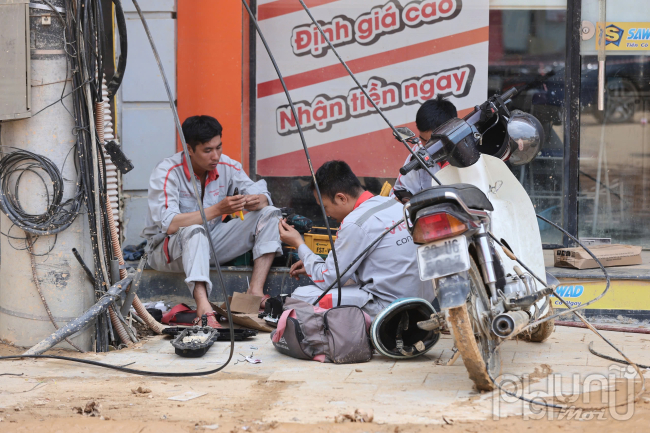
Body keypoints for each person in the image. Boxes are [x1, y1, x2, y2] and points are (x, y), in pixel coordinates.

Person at [142, 115, 282, 327]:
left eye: (219, 147)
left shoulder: (227, 166)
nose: (216, 156)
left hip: (209, 244)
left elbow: (262, 193)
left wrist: (256, 200)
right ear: (190, 149)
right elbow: (170, 223)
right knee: (195, 230)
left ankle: (255, 292)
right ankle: (203, 307)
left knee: (270, 213)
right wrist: (218, 209)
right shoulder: (166, 172)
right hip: (166, 251)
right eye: (208, 150)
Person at [278, 160, 434, 318]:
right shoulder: (393, 204)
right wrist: (313, 266)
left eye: (325, 207)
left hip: (390, 309)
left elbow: (328, 280)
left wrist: (299, 244)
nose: (327, 215)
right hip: (424, 304)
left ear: (341, 198)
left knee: (300, 296)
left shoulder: (355, 222)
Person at [391, 95, 457, 203]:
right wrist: (402, 200)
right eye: (423, 139)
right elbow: (398, 192)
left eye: (433, 141)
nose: (427, 146)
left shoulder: (465, 154)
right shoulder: (419, 150)